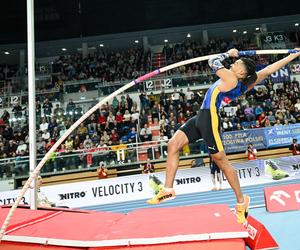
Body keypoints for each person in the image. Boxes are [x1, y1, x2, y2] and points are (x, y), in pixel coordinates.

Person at [147, 48, 300, 224]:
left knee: (221, 161)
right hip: (201, 116)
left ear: (242, 72)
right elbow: (268, 70)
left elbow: (212, 61)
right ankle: (168, 189)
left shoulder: (233, 78)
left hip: (210, 118)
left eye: (236, 63)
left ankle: (242, 202)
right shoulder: (243, 81)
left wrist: (228, 54)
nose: (233, 64)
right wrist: (292, 55)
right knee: (173, 145)